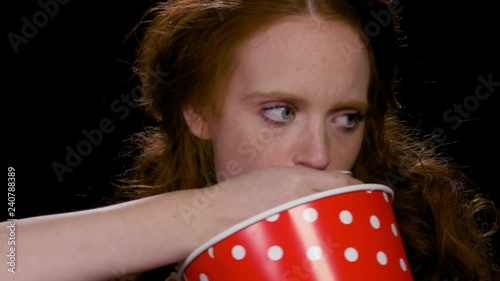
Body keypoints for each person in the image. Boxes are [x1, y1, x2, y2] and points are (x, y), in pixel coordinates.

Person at [2, 0, 499, 280]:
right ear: (197, 110)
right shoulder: (140, 264)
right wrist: (203, 213)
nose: (320, 155)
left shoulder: (432, 249)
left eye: (347, 117)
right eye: (280, 112)